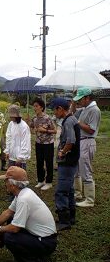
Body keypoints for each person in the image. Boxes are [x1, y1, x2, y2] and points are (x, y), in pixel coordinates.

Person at [0, 166, 57, 262]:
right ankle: (32, 255)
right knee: (10, 220)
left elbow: (15, 228)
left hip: (47, 242)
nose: (5, 184)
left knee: (9, 236)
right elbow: (7, 212)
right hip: (44, 238)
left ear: (13, 184)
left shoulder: (24, 199)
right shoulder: (23, 193)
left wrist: (0, 230)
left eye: (6, 181)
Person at [50, 98, 80, 230]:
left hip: (67, 161)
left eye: (54, 110)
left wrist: (62, 152)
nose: (54, 113)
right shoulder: (72, 119)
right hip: (72, 160)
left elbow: (71, 141)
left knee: (61, 191)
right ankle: (71, 217)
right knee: (69, 189)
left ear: (60, 109)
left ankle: (64, 220)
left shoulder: (68, 122)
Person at [72, 87, 101, 208]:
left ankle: (89, 199)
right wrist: (74, 101)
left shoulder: (94, 110)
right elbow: (72, 112)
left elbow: (91, 129)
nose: (79, 102)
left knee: (86, 171)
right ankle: (77, 193)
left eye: (81, 99)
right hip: (81, 141)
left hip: (87, 141)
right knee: (77, 170)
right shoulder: (85, 108)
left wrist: (78, 123)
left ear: (87, 98)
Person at [30, 98, 56, 190]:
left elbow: (55, 131)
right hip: (38, 143)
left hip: (48, 144)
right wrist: (32, 128)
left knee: (48, 162)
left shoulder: (47, 118)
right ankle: (41, 181)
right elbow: (31, 127)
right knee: (39, 162)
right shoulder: (34, 118)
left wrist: (45, 130)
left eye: (36, 106)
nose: (34, 108)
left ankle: (49, 182)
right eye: (34, 106)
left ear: (41, 107)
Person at [4, 104, 31, 170]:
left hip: (20, 157)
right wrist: (7, 151)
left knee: (19, 177)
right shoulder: (11, 124)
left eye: (12, 116)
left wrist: (21, 157)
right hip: (12, 155)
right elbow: (8, 137)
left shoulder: (24, 126)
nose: (10, 118)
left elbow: (25, 142)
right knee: (11, 176)